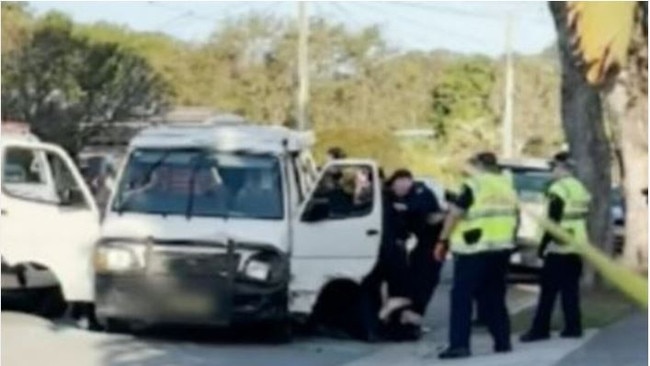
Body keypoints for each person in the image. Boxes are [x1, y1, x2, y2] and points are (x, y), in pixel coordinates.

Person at [434, 152, 518, 359]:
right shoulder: (506, 185)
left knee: (461, 297)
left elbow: (455, 214)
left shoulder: (474, 184)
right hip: (501, 249)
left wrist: (442, 241)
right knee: (495, 297)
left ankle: (459, 345)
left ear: (478, 165)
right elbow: (516, 216)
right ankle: (502, 342)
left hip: (474, 250)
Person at [520, 152, 591, 342]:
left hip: (558, 247)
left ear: (561, 167)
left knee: (548, 291)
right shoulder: (579, 187)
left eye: (553, 167)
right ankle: (573, 327)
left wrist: (542, 247)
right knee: (570, 290)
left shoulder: (559, 189)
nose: (551, 171)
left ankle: (540, 329)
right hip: (576, 245)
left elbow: (552, 221)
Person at [390, 169, 445, 319]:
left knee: (425, 279)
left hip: (436, 243)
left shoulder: (421, 191)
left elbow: (420, 207)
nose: (395, 190)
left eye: (395, 185)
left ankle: (416, 313)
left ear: (404, 181)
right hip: (422, 243)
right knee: (413, 277)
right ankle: (410, 312)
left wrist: (404, 207)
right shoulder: (406, 196)